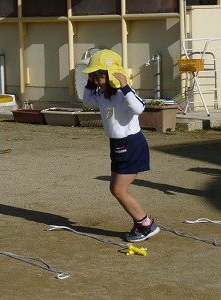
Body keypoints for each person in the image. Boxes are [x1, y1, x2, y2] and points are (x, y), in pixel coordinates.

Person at [81, 49, 159, 242]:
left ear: (109, 75)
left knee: (118, 190)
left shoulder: (124, 93)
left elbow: (139, 108)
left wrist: (125, 87)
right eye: (92, 75)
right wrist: (91, 83)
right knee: (115, 189)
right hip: (116, 144)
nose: (94, 79)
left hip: (131, 144)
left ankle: (146, 224)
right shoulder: (101, 93)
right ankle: (141, 222)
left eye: (97, 75)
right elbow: (87, 101)